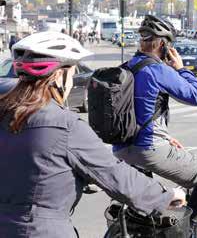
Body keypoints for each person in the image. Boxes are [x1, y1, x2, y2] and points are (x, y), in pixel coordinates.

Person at [0, 31, 185, 238]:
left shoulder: (5, 113)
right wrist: (165, 196)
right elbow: (116, 175)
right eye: (71, 73)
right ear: (59, 76)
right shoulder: (65, 125)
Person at [112, 15, 197, 225]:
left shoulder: (126, 67)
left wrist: (166, 136)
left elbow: (138, 112)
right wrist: (181, 68)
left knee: (145, 208)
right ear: (162, 45)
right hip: (149, 149)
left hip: (120, 149)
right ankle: (188, 226)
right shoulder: (158, 70)